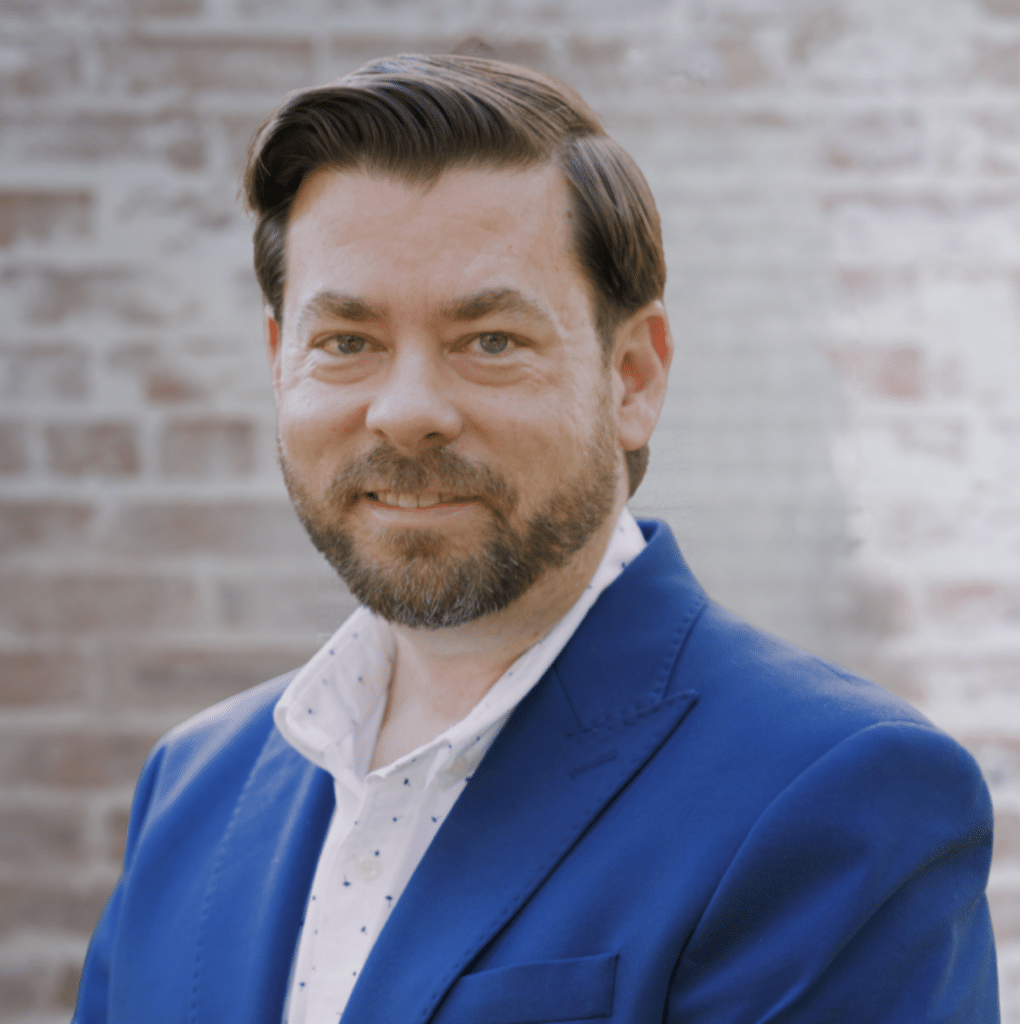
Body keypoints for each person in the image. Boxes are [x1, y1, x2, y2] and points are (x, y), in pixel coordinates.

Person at [73, 54, 999, 1023]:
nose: (407, 411)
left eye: (491, 342)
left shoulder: (842, 795)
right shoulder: (191, 790)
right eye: (347, 343)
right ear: (280, 366)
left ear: (632, 377)